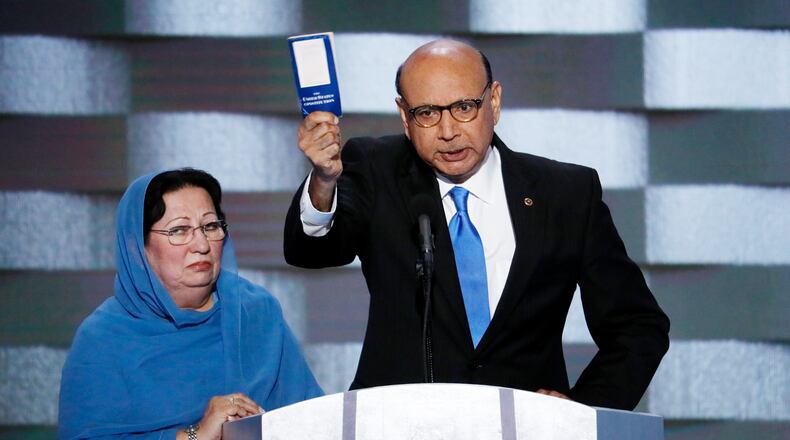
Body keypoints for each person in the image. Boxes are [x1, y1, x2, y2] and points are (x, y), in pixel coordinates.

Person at [283, 39, 669, 410]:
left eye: (464, 107)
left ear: (494, 101)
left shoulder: (565, 193)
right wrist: (323, 181)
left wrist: (581, 412)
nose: (448, 131)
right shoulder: (375, 168)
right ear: (405, 116)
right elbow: (312, 251)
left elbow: (637, 326)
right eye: (428, 113)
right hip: (401, 425)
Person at [59, 168, 323, 440]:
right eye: (179, 230)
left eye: (210, 226)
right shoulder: (102, 338)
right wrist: (193, 436)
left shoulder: (256, 312)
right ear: (138, 248)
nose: (201, 244)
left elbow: (313, 421)